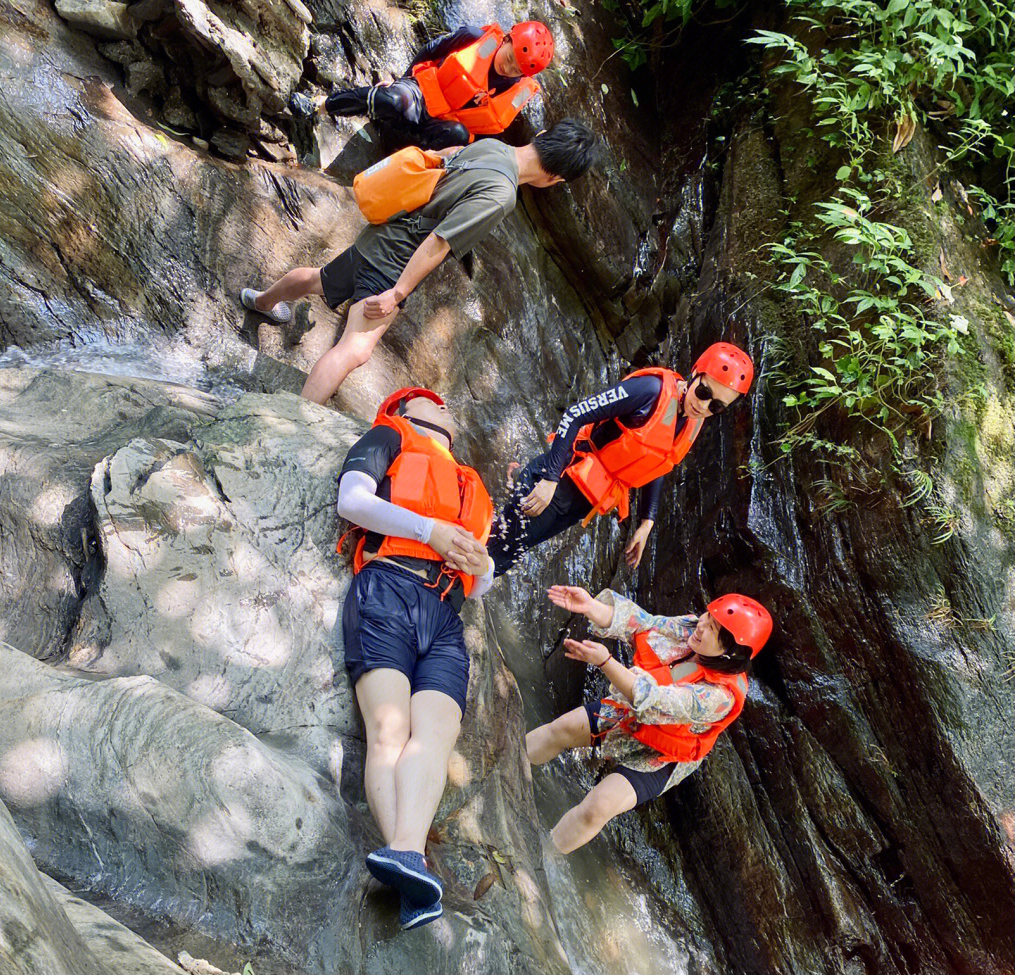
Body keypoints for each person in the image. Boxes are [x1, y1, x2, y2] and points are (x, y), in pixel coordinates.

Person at [239, 120, 597, 405]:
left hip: (381, 233)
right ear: (556, 179)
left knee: (320, 279)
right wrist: (397, 292)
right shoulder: (502, 195)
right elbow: (440, 241)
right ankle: (294, 418)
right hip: (395, 260)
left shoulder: (494, 145)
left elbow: (440, 157)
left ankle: (260, 302)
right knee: (356, 349)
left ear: (543, 134)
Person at [336, 387, 494, 929]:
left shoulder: (472, 484)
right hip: (387, 588)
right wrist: (431, 531)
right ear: (404, 411)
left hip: (447, 614)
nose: (444, 402)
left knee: (437, 735)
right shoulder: (388, 436)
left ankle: (404, 860)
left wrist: (483, 564)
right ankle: (410, 863)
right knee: (390, 731)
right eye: (428, 398)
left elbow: (478, 588)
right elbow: (351, 501)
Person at [526, 584, 773, 853]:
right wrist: (590, 607)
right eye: (707, 616)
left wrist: (605, 662)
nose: (701, 625)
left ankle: (541, 853)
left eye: (712, 629)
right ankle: (506, 760)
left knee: (599, 807)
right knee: (562, 729)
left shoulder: (719, 697)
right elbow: (643, 625)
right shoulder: (693, 630)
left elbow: (654, 699)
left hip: (660, 754)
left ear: (730, 653)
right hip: (631, 712)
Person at [486, 342, 754, 575]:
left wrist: (647, 521)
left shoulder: (690, 422)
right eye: (704, 392)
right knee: (497, 550)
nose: (704, 406)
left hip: (579, 503)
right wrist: (549, 478)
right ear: (695, 373)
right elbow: (575, 414)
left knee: (505, 555)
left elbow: (659, 463)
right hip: (559, 478)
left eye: (716, 407)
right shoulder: (650, 390)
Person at [313, 22, 554, 151]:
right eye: (509, 58)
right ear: (507, 39)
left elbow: (487, 132)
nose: (508, 69)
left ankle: (401, 150)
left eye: (517, 71)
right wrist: (400, 82)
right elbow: (430, 50)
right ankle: (322, 106)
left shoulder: (519, 93)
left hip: (438, 133)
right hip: (422, 94)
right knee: (394, 100)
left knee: (459, 135)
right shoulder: (474, 37)